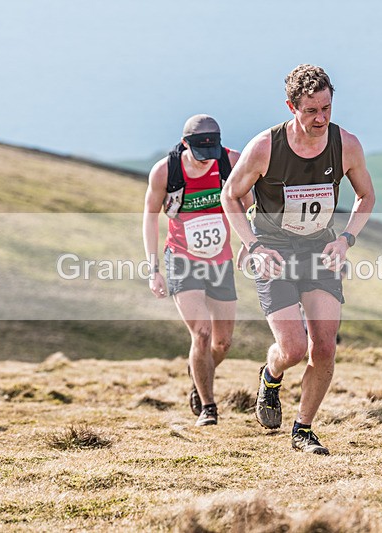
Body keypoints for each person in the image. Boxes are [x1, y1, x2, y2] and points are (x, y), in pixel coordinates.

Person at [221, 65, 375, 454]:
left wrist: (346, 239)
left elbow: (366, 196)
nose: (321, 118)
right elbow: (230, 195)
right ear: (291, 106)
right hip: (275, 252)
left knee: (323, 347)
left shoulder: (347, 145)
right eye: (311, 111)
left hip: (321, 251)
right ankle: (271, 376)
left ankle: (303, 429)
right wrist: (253, 244)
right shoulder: (265, 147)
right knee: (292, 348)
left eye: (327, 108)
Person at [143, 114, 248, 427]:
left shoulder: (231, 161)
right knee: (201, 333)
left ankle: (198, 372)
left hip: (220, 260)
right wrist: (153, 269)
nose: (206, 162)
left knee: (222, 343)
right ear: (185, 144)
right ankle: (208, 406)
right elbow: (150, 216)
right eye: (200, 156)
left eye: (210, 155)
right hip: (182, 258)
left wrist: (250, 240)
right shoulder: (165, 171)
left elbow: (250, 202)